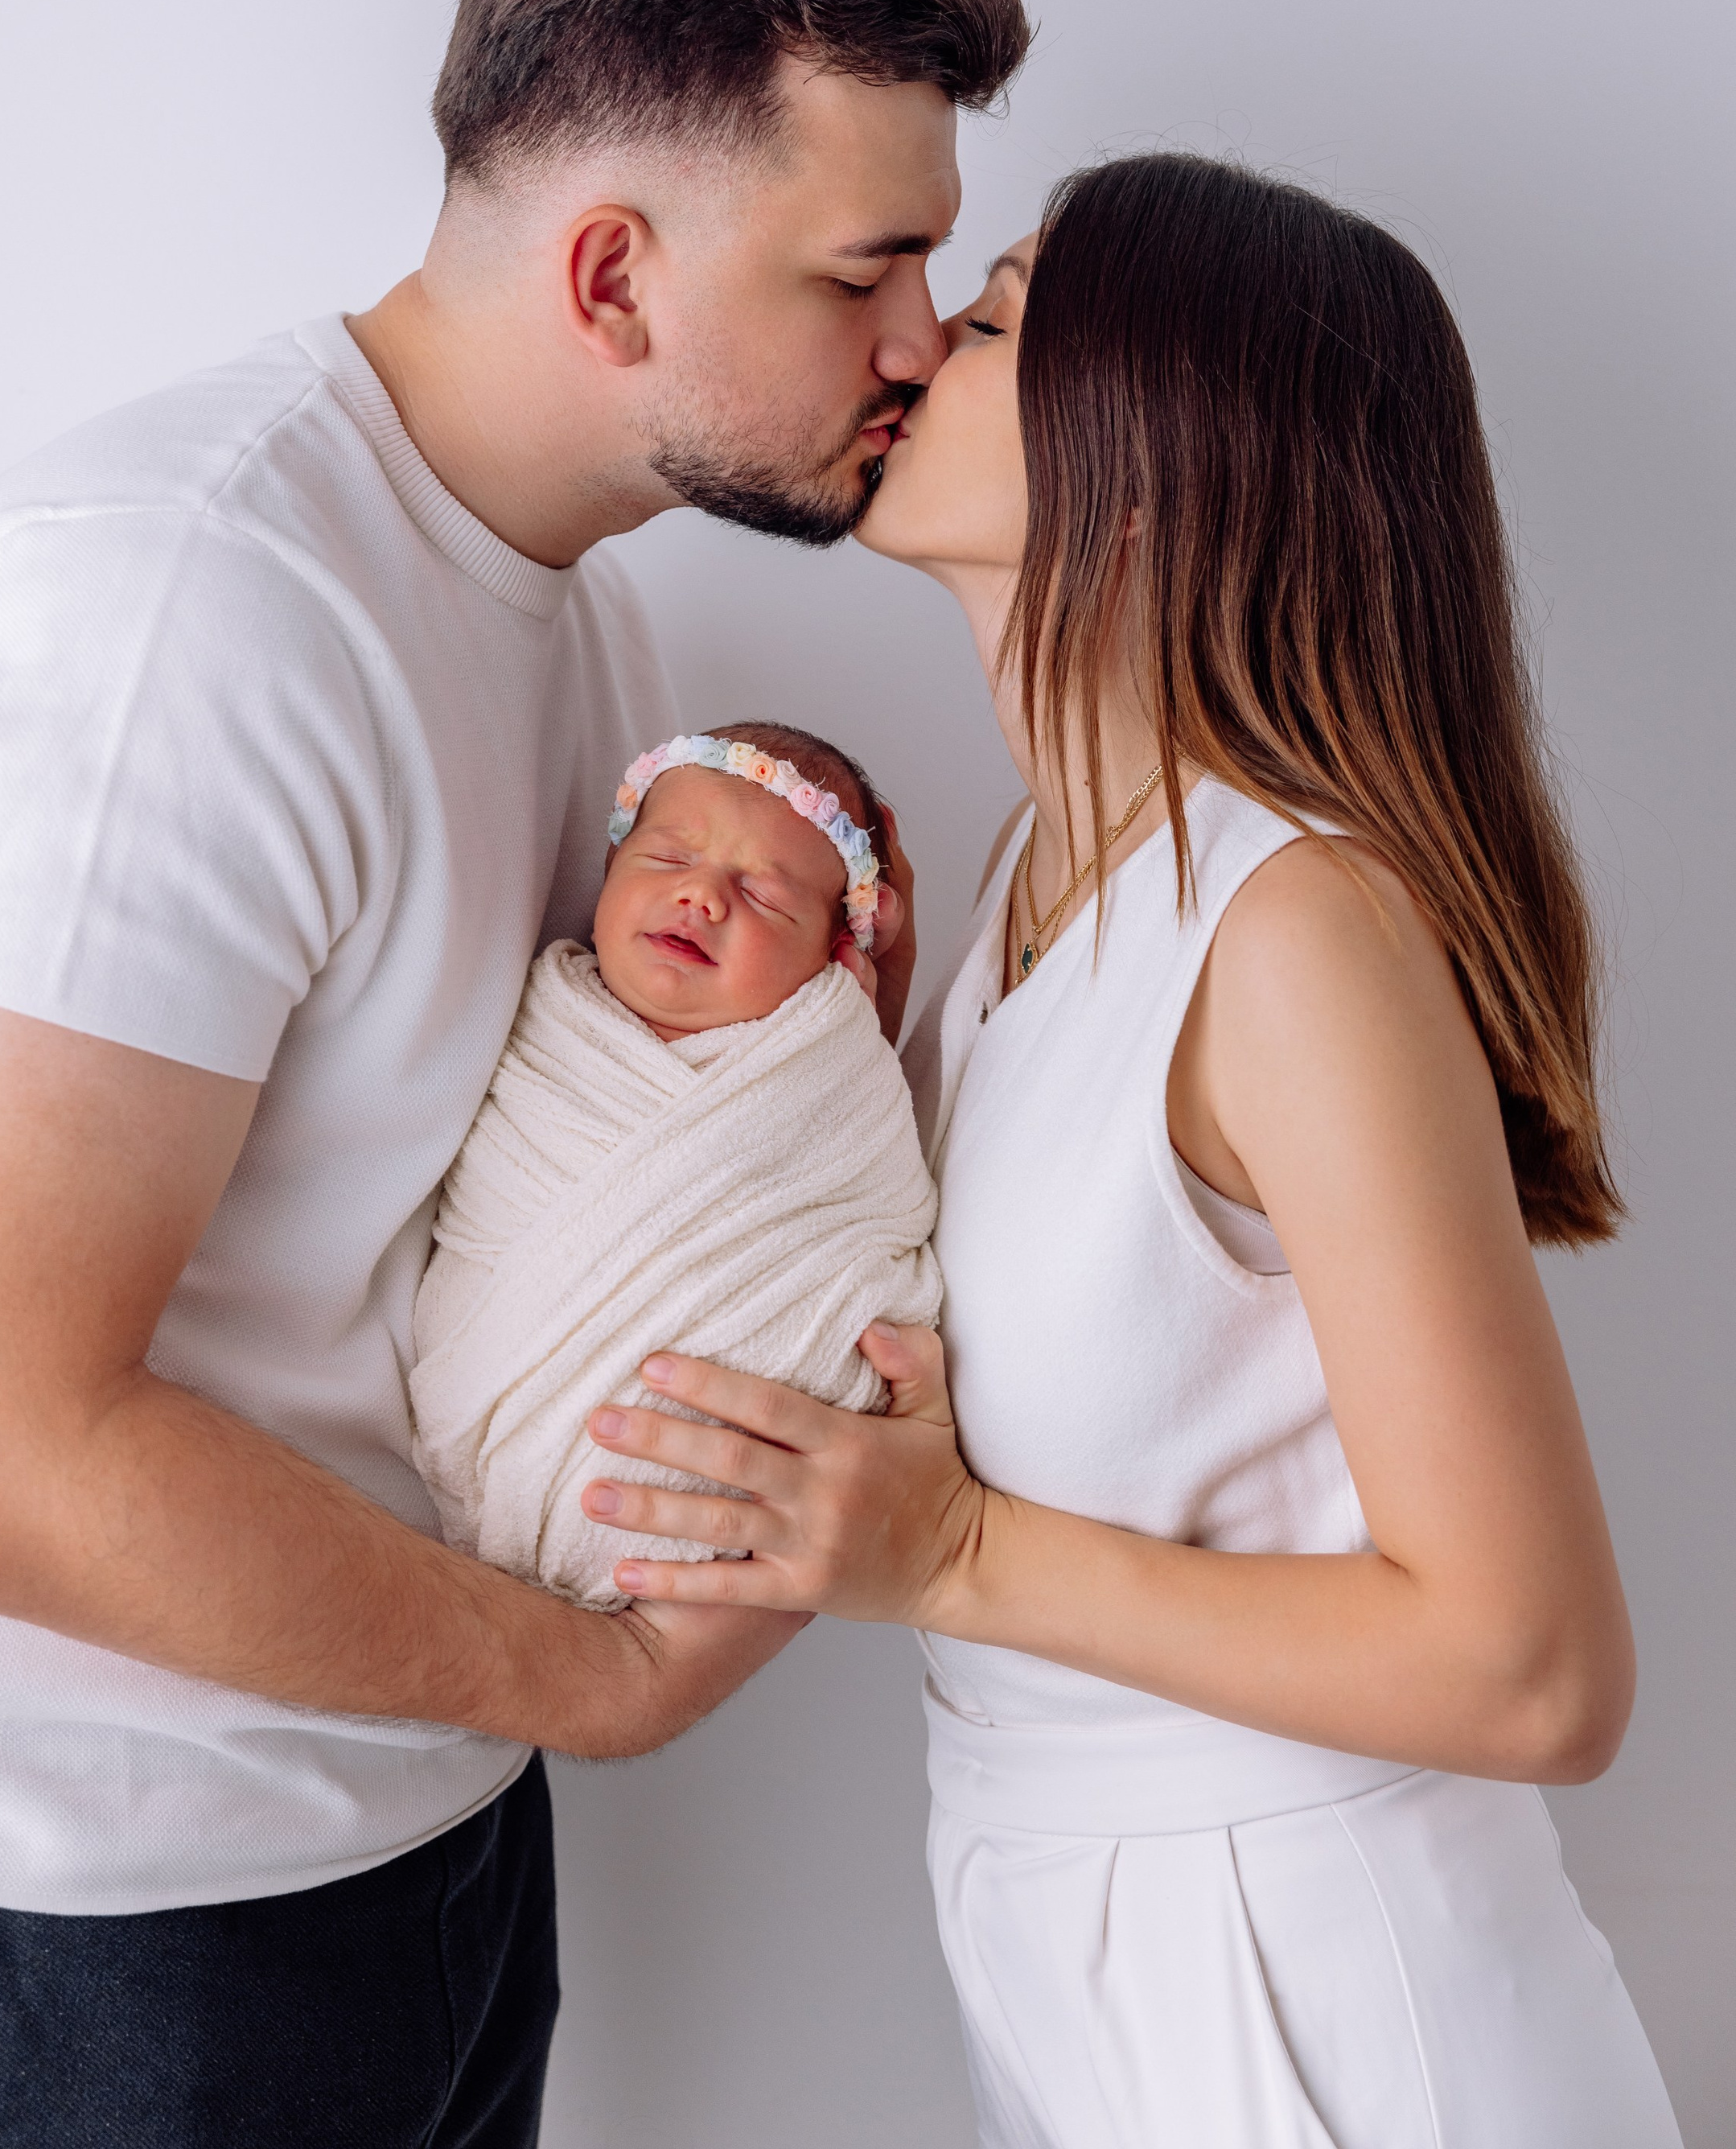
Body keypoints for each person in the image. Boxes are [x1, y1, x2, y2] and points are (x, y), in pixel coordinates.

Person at [0, 0, 1029, 2149]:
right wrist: (600, 1679)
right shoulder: (180, 617)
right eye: (868, 269)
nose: (925, 341)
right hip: (37, 1915)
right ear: (614, 273)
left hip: (386, 1820)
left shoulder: (571, 612)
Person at [579, 152, 1682, 2147]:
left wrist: (955, 1552)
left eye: (991, 319)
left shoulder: (1291, 935)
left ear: (1156, 463)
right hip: (1067, 1944)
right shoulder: (1028, 889)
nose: (909, 346)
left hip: (1317, 1996)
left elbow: (1535, 1673)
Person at [409, 722, 942, 1608]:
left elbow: (859, 1226)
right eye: (665, 859)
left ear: (834, 959)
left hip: (700, 1505)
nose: (701, 897)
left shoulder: (829, 1078)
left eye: (765, 897)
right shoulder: (546, 1024)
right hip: (477, 1423)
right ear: (607, 877)